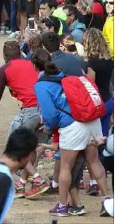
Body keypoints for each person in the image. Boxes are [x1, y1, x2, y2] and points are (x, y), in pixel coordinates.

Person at [32, 48, 110, 217]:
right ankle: (108, 201)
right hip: (91, 120)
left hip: (73, 126)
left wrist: (48, 128)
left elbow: (50, 115)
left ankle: (62, 206)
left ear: (35, 66)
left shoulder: (41, 85)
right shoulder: (66, 75)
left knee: (65, 167)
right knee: (93, 162)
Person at [0, 41, 50, 199]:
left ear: (4, 56)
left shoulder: (4, 69)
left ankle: (38, 180)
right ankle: (22, 185)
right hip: (45, 111)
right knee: (33, 149)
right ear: (20, 53)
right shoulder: (32, 63)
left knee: (14, 150)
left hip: (30, 111)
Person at [84, 28, 114, 137]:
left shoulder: (93, 62)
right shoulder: (109, 59)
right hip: (108, 101)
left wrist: (84, 76)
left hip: (98, 103)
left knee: (95, 139)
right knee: (104, 135)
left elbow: (91, 85)